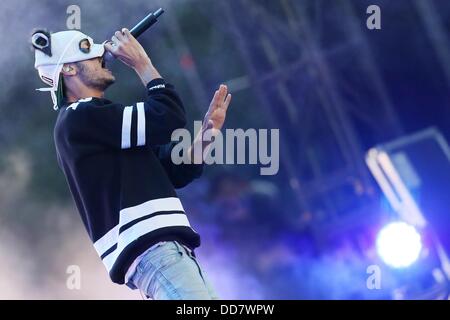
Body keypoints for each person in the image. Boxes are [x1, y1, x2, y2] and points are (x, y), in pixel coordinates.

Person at [31, 28, 231, 300]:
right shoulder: (79, 117)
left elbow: (175, 171)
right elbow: (167, 115)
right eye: (93, 58)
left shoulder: (96, 121)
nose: (103, 60)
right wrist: (143, 64)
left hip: (166, 252)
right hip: (155, 253)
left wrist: (207, 136)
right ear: (67, 69)